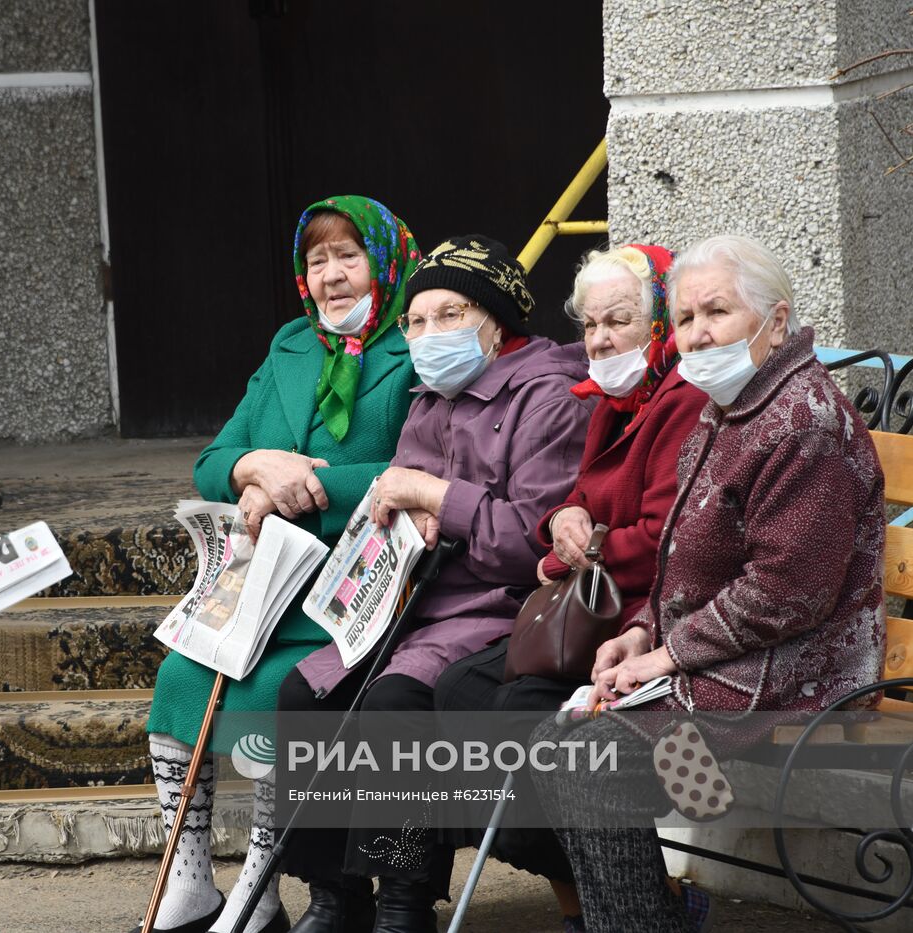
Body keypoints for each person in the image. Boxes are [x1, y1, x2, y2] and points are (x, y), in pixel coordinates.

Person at [530, 234, 886, 931]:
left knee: (590, 756)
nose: (697, 333)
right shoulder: (730, 408)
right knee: (563, 738)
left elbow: (787, 592)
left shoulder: (802, 420)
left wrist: (666, 655)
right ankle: (655, 913)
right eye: (686, 317)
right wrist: (639, 631)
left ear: (775, 321)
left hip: (800, 671)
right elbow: (689, 562)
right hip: (732, 659)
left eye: (716, 312)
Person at [277, 235, 594, 933]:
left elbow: (530, 541)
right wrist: (402, 510)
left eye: (448, 315)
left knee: (395, 700)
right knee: (306, 689)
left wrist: (434, 493)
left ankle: (404, 901)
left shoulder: (547, 396)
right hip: (408, 605)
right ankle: (336, 896)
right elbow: (395, 509)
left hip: (496, 610)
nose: (427, 336)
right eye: (415, 321)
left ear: (495, 318)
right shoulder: (431, 397)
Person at [137, 196, 421, 933]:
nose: (331, 276)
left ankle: (260, 881)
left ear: (383, 264)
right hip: (267, 585)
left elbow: (428, 463)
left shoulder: (414, 344)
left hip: (354, 583)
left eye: (348, 257)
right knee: (179, 677)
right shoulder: (287, 345)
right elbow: (212, 461)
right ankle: (193, 878)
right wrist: (255, 465)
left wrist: (320, 480)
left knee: (271, 690)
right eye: (316, 260)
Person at [431, 244, 707, 931]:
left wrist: (572, 552)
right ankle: (609, 892)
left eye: (619, 320)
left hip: (638, 613)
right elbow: (576, 501)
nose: (602, 338)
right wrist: (565, 520)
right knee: (456, 690)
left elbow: (664, 540)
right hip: (587, 606)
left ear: (658, 322)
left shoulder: (681, 400)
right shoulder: (613, 400)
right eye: (589, 325)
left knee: (514, 718)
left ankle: (627, 901)